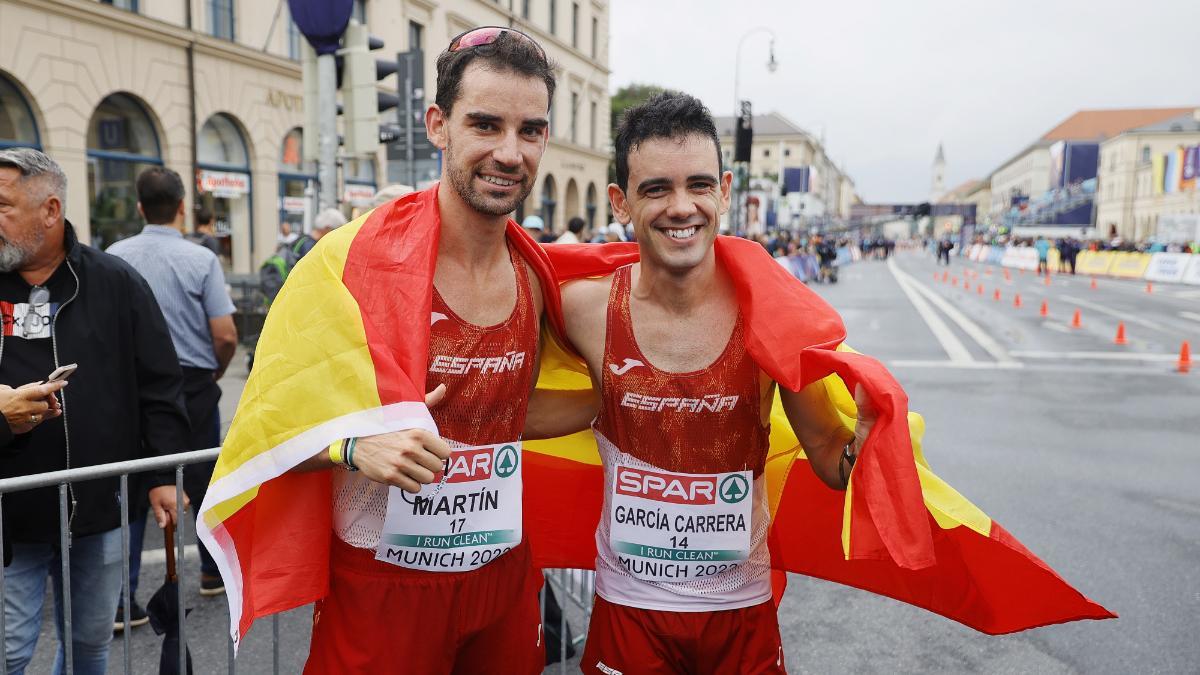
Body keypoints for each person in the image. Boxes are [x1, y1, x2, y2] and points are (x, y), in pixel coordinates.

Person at [196, 27, 559, 673]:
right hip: (385, 579)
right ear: (438, 124)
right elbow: (260, 434)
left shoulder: (537, 274)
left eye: (529, 130)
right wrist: (353, 446)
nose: (509, 152)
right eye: (485, 124)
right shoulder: (348, 263)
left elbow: (515, 410)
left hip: (502, 571)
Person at [525, 92, 875, 675]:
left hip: (740, 616)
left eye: (699, 185)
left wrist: (865, 435)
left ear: (726, 192)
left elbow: (829, 458)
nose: (680, 207)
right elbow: (510, 394)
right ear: (621, 202)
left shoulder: (771, 314)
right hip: (629, 612)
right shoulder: (581, 308)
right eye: (656, 189)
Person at [0, 148, 189, 674]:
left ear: (51, 210)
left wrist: (161, 473)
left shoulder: (114, 282)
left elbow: (160, 385)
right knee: (9, 652)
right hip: (7, 517)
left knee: (89, 647)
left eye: (2, 206)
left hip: (98, 510)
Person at [106, 167, 239, 626]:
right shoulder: (200, 259)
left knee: (137, 481)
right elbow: (224, 335)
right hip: (192, 384)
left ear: (140, 207)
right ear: (182, 206)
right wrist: (214, 373)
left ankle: (121, 597)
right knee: (202, 481)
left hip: (133, 386)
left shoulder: (113, 257)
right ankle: (209, 570)